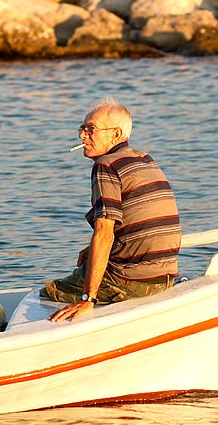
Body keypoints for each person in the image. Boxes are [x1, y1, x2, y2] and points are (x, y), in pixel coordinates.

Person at [44, 99, 181, 322]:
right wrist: (91, 249)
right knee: (87, 265)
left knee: (50, 293)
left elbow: (105, 232)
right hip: (163, 277)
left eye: (91, 129)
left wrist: (88, 299)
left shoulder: (106, 165)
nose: (82, 136)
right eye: (82, 129)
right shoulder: (143, 159)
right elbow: (137, 219)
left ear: (115, 135)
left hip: (132, 281)